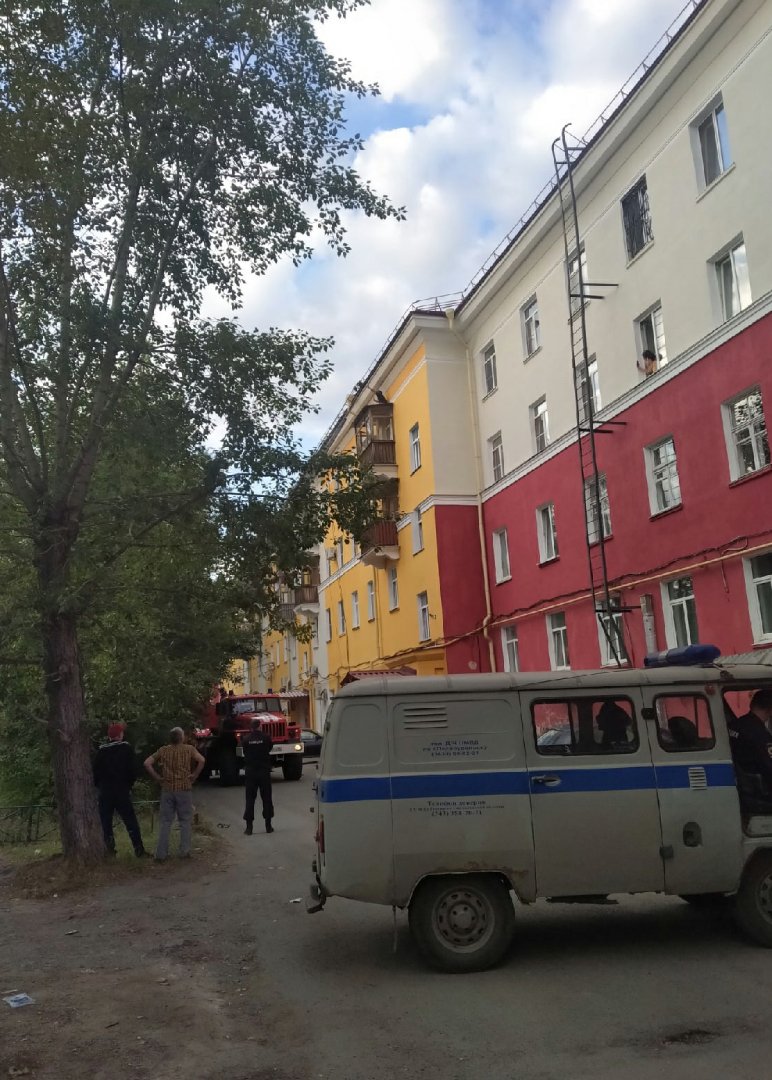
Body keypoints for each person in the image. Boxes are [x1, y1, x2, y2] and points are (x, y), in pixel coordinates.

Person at [144, 727, 205, 861]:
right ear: (181, 738)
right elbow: (202, 760)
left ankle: (161, 854)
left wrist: (157, 777)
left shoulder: (163, 750)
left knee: (165, 821)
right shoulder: (189, 749)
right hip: (184, 788)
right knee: (185, 821)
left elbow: (147, 763)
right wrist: (194, 775)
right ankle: (184, 851)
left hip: (167, 789)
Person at [93, 723, 146, 857]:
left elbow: (95, 773)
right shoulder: (125, 748)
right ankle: (138, 849)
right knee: (130, 820)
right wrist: (129, 786)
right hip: (121, 790)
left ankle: (110, 850)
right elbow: (132, 770)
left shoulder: (101, 750)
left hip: (105, 792)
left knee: (106, 822)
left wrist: (100, 787)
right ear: (119, 735)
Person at [727, 689, 772, 790]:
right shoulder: (760, 734)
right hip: (759, 789)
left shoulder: (735, 725)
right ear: (769, 709)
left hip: (743, 785)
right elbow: (769, 767)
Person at [242, 717, 274, 835]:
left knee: (250, 799)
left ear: (251, 727)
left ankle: (249, 828)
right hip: (264, 772)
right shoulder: (266, 738)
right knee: (267, 798)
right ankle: (268, 826)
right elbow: (269, 748)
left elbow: (245, 751)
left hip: (251, 772)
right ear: (260, 726)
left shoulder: (246, 739)